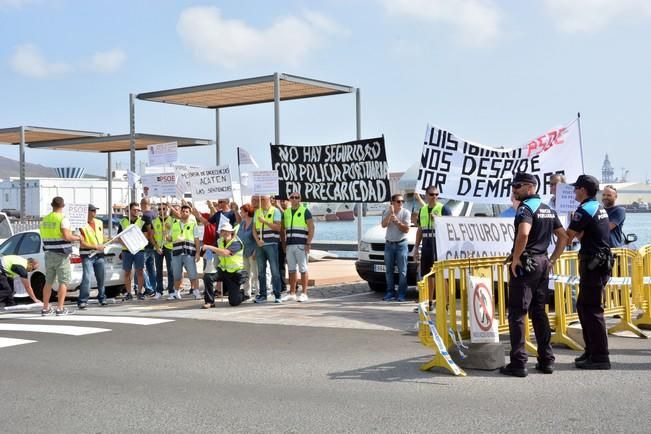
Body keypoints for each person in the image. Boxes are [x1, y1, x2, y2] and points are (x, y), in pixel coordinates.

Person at [499, 172, 568, 377]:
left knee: (518, 313)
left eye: (517, 186)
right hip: (543, 263)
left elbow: (524, 233)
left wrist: (517, 257)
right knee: (539, 313)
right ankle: (547, 360)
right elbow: (563, 237)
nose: (514, 189)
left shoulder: (526, 208)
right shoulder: (547, 209)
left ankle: (518, 363)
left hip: (527, 265)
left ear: (530, 187)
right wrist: (553, 259)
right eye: (513, 186)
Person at [566, 174, 613, 370]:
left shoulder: (584, 210)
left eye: (576, 188)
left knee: (592, 310)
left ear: (583, 190)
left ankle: (600, 356)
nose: (574, 191)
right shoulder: (597, 207)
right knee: (584, 307)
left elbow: (569, 236)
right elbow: (584, 233)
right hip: (598, 263)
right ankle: (592, 351)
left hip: (594, 264)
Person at [40, 196, 82, 316]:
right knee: (63, 281)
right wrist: (78, 237)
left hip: (48, 253)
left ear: (52, 205)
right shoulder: (63, 219)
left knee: (48, 281)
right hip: (61, 254)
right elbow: (66, 237)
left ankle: (45, 308)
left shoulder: (45, 219)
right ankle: (60, 308)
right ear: (63, 206)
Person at [412, 186, 451, 307]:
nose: (434, 197)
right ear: (426, 195)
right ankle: (429, 302)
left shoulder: (444, 209)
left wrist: (439, 220)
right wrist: (416, 248)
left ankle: (446, 303)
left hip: (439, 245)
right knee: (428, 275)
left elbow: (450, 227)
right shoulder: (423, 210)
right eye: (431, 194)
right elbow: (420, 230)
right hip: (427, 245)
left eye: (436, 194)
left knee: (442, 274)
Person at [202, 222, 247, 307]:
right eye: (223, 231)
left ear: (231, 232)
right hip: (222, 270)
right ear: (221, 233)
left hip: (234, 273)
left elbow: (225, 253)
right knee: (208, 277)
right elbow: (210, 251)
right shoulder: (219, 241)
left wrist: (209, 247)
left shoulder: (237, 242)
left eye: (227, 231)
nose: (225, 233)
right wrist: (207, 255)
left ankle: (241, 294)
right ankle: (209, 302)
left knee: (234, 302)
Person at [281, 192, 314, 302]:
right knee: (291, 270)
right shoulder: (286, 213)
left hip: (301, 245)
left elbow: (311, 228)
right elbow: (282, 229)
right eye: (292, 197)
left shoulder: (305, 211)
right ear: (289, 199)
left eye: (297, 197)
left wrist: (308, 243)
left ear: (300, 199)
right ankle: (292, 293)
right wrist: (283, 244)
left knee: (303, 269)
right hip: (290, 245)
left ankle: (304, 293)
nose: (294, 199)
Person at [252, 195, 283, 303]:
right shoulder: (257, 212)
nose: (261, 201)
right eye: (260, 199)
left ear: (269, 199)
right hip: (260, 245)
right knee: (261, 271)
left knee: (275, 270)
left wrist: (265, 221)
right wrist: (257, 241)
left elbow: (278, 227)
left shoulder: (275, 211)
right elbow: (254, 230)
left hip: (272, 244)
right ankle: (263, 295)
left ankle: (277, 294)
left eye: (263, 199)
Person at [382, 193, 411, 302]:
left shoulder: (406, 213)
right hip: (389, 244)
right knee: (389, 270)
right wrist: (390, 214)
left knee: (402, 271)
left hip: (401, 244)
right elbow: (383, 225)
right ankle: (390, 292)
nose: (401, 204)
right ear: (392, 203)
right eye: (398, 201)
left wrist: (397, 221)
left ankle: (402, 293)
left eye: (402, 201)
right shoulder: (387, 211)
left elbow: (406, 229)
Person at [170, 204, 201, 300]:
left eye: (186, 211)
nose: (184, 213)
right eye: (182, 211)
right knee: (177, 274)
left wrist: (198, 253)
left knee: (193, 274)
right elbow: (170, 238)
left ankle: (196, 292)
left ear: (190, 213)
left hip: (189, 252)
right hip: (176, 252)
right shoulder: (174, 224)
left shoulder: (193, 224)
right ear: (180, 212)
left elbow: (197, 239)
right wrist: (166, 237)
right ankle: (176, 292)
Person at [78, 204, 106, 308]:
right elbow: (82, 243)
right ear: (87, 212)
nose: (95, 212)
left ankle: (102, 298)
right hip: (87, 255)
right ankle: (82, 300)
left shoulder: (99, 222)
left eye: (95, 210)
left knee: (101, 278)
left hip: (99, 254)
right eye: (92, 211)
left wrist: (109, 240)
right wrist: (96, 247)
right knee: (87, 278)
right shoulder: (80, 224)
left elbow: (102, 237)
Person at [118, 202, 146, 301]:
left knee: (140, 271)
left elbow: (145, 236)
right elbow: (119, 238)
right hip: (127, 251)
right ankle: (129, 293)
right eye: (134, 209)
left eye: (138, 210)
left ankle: (140, 292)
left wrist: (136, 244)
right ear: (129, 210)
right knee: (127, 272)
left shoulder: (142, 222)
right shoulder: (123, 222)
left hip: (139, 250)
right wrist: (128, 245)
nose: (136, 211)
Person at [152, 202, 175, 299]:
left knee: (171, 270)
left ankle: (171, 291)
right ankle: (159, 291)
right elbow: (151, 236)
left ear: (167, 209)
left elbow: (176, 236)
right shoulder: (155, 221)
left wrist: (168, 236)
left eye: (164, 209)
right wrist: (156, 247)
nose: (162, 211)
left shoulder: (172, 220)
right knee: (158, 270)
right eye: (159, 209)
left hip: (169, 247)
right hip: (158, 248)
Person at [236, 203, 257, 300]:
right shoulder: (243, 223)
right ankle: (246, 292)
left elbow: (257, 237)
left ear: (247, 212)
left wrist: (256, 251)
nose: (240, 213)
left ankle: (258, 292)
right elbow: (239, 236)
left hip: (253, 252)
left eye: (242, 211)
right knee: (245, 273)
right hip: (243, 252)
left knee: (255, 273)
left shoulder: (254, 222)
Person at [140, 197, 157, 297]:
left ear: (142, 204)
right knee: (151, 268)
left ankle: (149, 288)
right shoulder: (155, 214)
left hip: (146, 244)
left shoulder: (145, 216)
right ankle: (153, 288)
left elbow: (149, 231)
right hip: (153, 244)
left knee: (140, 267)